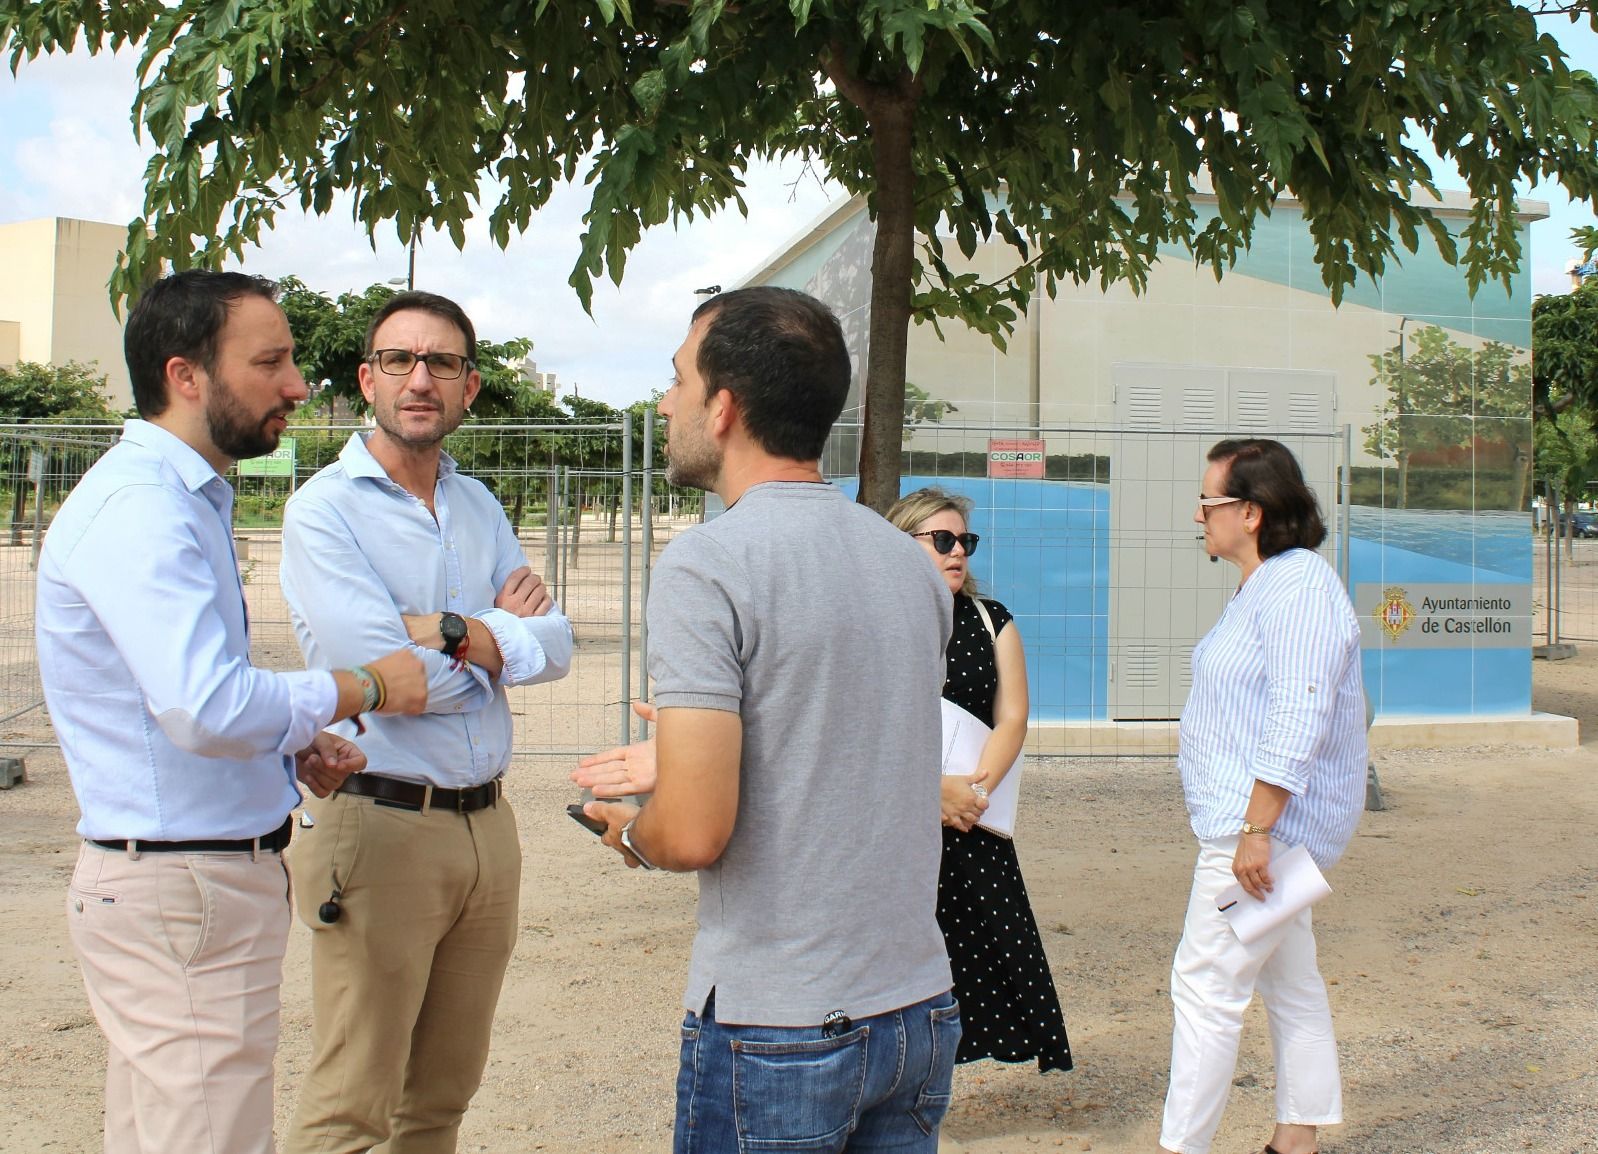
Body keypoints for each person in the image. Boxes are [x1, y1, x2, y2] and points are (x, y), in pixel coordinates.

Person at [37, 269, 428, 1154]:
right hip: (185, 889)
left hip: (193, 879)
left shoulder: (180, 498)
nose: (296, 384)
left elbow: (179, 701)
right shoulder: (143, 508)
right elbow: (205, 706)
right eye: (271, 361)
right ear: (186, 376)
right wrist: (364, 685)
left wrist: (285, 747)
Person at [576, 286, 960, 1153]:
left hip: (781, 1024)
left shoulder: (708, 566)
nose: (665, 400)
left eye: (678, 379)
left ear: (724, 407)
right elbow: (844, 734)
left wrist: (634, 834)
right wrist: (684, 754)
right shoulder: (908, 565)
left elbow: (696, 833)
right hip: (915, 1008)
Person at [278, 291, 574, 1154]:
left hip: (488, 827)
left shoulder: (478, 504)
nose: (421, 379)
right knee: (350, 1106)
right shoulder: (324, 510)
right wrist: (492, 639)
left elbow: (555, 647)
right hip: (380, 824)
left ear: (469, 387)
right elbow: (380, 680)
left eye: (442, 362)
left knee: (440, 1100)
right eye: (401, 361)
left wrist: (443, 628)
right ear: (368, 378)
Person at [1157, 438, 1366, 1154]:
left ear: (1249, 512)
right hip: (1263, 831)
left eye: (1209, 502)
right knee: (1290, 980)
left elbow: (1298, 711)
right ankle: (1296, 1139)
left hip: (1261, 836)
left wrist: (1256, 828)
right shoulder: (1269, 586)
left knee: (1206, 988)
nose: (1198, 514)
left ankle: (1183, 1147)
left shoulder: (1299, 585)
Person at [884, 487, 1073, 1073]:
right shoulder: (875, 623)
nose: (958, 552)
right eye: (942, 540)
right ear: (903, 545)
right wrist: (926, 794)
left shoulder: (993, 621)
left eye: (965, 541)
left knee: (982, 953)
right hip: (893, 823)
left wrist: (973, 792)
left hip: (969, 818)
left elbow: (1012, 715)